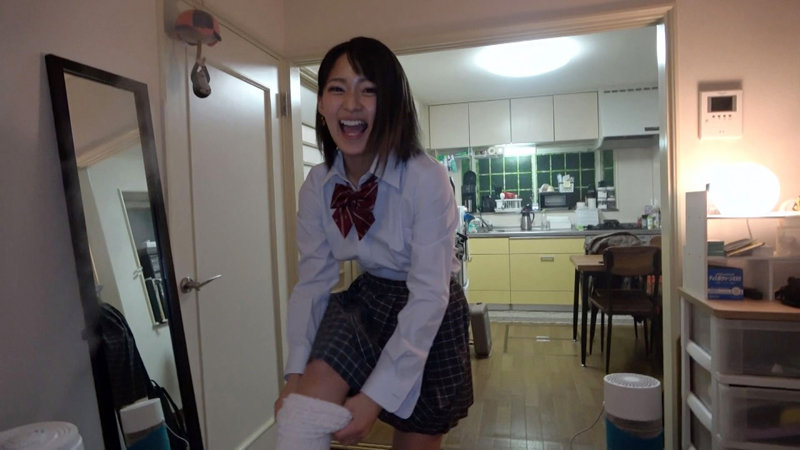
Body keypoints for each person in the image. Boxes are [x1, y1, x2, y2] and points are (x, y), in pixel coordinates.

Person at [274, 36, 473, 450]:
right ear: (320, 104)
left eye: (368, 90)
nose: (351, 104)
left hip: (429, 308)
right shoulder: (317, 185)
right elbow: (313, 283)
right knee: (299, 421)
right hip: (369, 299)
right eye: (337, 88)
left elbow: (428, 293)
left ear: (392, 104)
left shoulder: (426, 177)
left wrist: (373, 399)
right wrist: (294, 376)